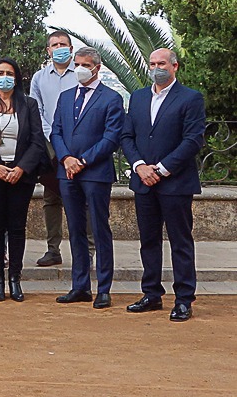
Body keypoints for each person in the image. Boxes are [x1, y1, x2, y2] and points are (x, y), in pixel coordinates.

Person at [121, 49, 206, 322]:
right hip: (143, 181)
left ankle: (183, 299)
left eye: (162, 64)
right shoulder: (138, 97)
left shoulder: (190, 98)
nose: (157, 68)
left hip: (175, 183)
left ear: (174, 66)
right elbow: (127, 136)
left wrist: (162, 168)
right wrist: (139, 166)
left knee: (180, 242)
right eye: (153, 63)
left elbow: (192, 140)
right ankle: (151, 294)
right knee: (148, 240)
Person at [50, 48, 125, 310]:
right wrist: (66, 159)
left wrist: (83, 160)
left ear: (97, 67)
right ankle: (80, 285)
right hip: (67, 172)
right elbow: (56, 131)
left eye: (86, 64)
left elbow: (111, 137)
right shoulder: (66, 96)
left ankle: (103, 288)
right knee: (75, 230)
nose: (81, 68)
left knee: (99, 229)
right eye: (78, 63)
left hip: (95, 173)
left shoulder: (111, 98)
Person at [0, 58, 45, 302]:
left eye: (9, 73)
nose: (4, 77)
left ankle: (15, 278)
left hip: (20, 176)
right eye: (0, 72)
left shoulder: (28, 105)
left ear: (17, 77)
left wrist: (21, 168)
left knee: (16, 228)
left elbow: (37, 141)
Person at [28, 30, 78, 267]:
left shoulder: (80, 74)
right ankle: (52, 249)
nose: (59, 48)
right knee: (51, 198)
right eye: (54, 45)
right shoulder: (39, 77)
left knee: (82, 199)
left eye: (63, 44)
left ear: (70, 47)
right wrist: (52, 137)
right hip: (50, 145)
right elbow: (36, 111)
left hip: (78, 144)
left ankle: (85, 250)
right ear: (48, 50)